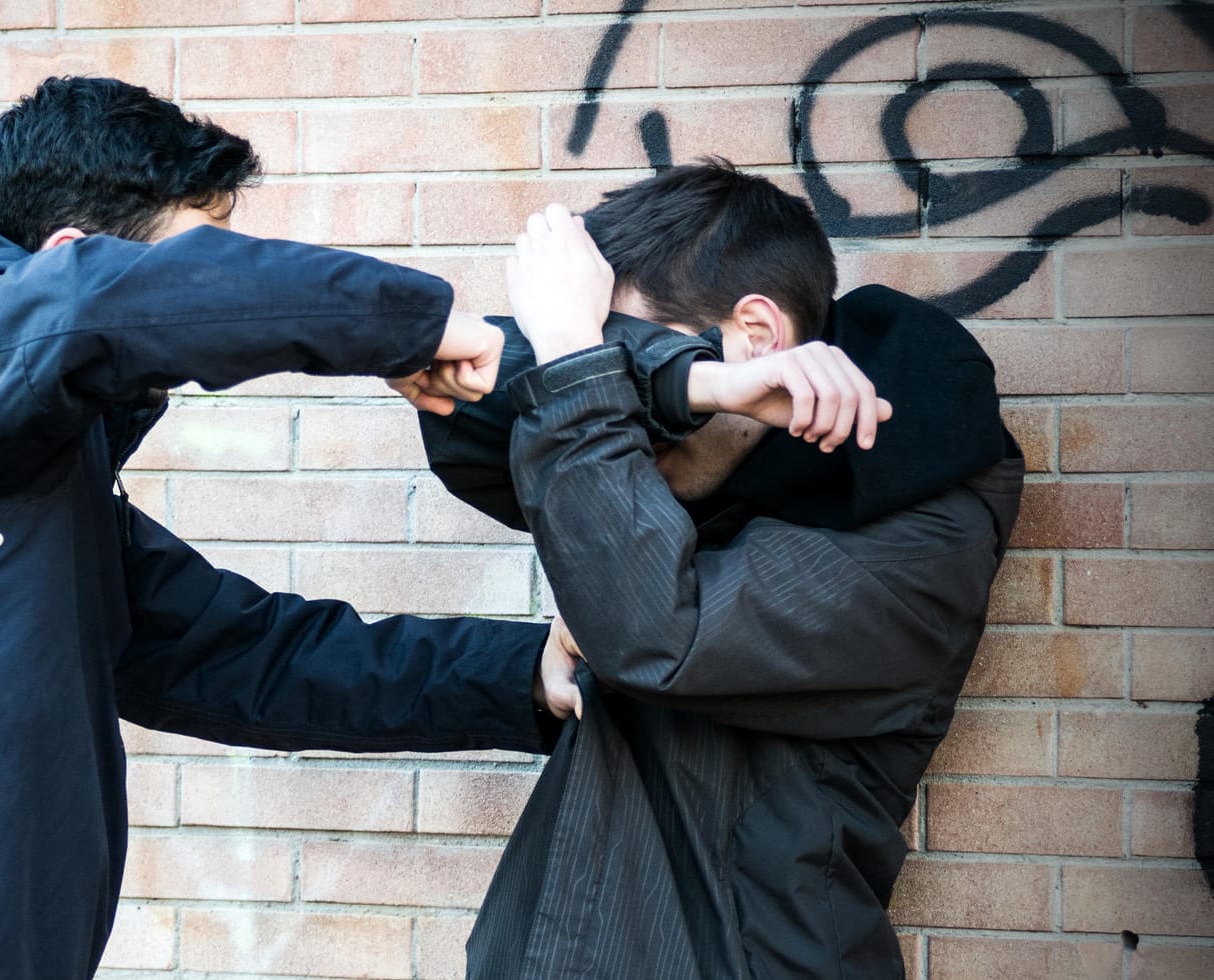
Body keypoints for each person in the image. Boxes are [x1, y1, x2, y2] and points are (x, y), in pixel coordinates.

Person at [0, 75, 565, 979]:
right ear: (72, 255)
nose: (217, 290)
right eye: (193, 264)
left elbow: (245, 657)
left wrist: (522, 676)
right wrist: (413, 326)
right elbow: (94, 307)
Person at [417, 163, 1023, 978]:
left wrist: (573, 354)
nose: (619, 408)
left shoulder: (917, 534)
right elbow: (464, 415)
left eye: (620, 358)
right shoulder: (688, 468)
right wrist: (680, 378)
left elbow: (656, 634)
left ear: (759, 335)